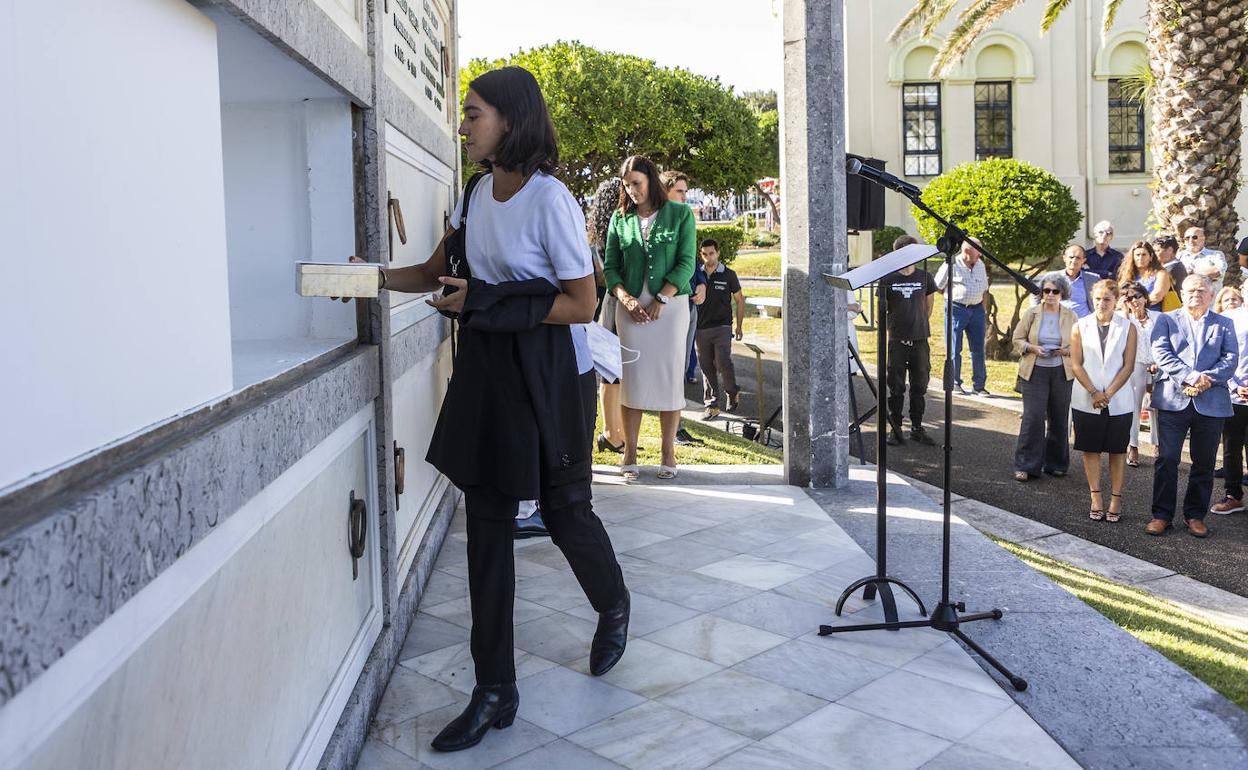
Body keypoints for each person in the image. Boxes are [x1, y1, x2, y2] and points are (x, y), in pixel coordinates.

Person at [377, 67, 629, 752]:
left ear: (511, 121)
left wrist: (484, 302)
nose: (462, 125)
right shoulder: (476, 191)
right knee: (486, 528)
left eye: (474, 113)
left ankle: (613, 602)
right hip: (489, 371)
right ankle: (495, 689)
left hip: (549, 377)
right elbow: (435, 272)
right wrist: (369, 277)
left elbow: (580, 303)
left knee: (564, 510)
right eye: (464, 112)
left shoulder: (551, 200)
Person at [604, 155, 696, 480]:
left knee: (669, 377)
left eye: (637, 184)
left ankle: (668, 451)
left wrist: (662, 296)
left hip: (670, 307)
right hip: (629, 309)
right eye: (627, 185)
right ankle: (629, 452)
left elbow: (687, 262)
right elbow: (610, 267)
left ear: (651, 180)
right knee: (633, 380)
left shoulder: (680, 214)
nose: (632, 191)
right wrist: (625, 298)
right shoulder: (620, 218)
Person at [1149, 274, 1238, 537]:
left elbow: (1230, 359)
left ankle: (1195, 515)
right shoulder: (1166, 319)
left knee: (1204, 463)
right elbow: (1161, 352)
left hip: (1211, 402)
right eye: (1190, 290)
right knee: (1167, 458)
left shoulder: (1224, 323)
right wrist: (1191, 376)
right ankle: (1161, 515)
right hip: (1173, 399)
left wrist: (1207, 379)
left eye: (1201, 290)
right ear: (1181, 293)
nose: (1195, 294)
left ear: (1211, 295)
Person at [1070, 280, 1137, 522]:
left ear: (1116, 300)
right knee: (1091, 449)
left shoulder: (1128, 327)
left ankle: (1116, 499)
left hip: (1118, 400)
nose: (1101, 303)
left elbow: (1128, 366)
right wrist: (1093, 392)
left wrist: (1107, 394)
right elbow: (1076, 363)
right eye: (1097, 298)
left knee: (1117, 451)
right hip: (1086, 398)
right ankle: (1096, 496)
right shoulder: (1081, 326)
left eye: (1107, 299)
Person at [1012, 272, 1077, 480]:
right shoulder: (1032, 313)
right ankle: (1025, 465)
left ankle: (1056, 463)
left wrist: (1065, 351)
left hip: (1061, 370)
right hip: (1035, 369)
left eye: (1054, 291)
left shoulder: (1070, 316)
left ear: (1062, 294)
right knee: (1033, 417)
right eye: (1046, 291)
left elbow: (1079, 344)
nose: (1049, 295)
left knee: (1059, 417)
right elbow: (1017, 339)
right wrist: (1032, 348)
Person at [880, 240, 938, 446]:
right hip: (897, 340)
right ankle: (895, 428)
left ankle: (917, 428)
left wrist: (918, 325)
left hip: (920, 339)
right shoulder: (888, 279)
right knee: (896, 386)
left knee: (919, 385)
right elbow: (882, 309)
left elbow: (929, 305)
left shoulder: (925, 277)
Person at [587, 177, 626, 454]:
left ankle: (612, 432)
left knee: (609, 373)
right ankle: (612, 432)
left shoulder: (595, 236)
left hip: (596, 310)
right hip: (606, 309)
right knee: (612, 372)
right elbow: (604, 275)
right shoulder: (609, 237)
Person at [660, 170, 708, 389]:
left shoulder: (685, 217)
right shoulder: (652, 221)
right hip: (664, 303)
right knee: (666, 365)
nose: (685, 196)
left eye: (686, 191)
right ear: (664, 190)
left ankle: (676, 419)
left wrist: (702, 284)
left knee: (682, 363)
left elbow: (691, 261)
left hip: (689, 305)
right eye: (679, 191)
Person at [695, 238, 746, 419]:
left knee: (723, 360)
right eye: (704, 254)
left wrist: (739, 326)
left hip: (723, 326)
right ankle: (712, 405)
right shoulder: (696, 274)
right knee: (706, 366)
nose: (708, 257)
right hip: (700, 328)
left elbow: (740, 300)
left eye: (711, 253)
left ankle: (732, 391)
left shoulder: (729, 274)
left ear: (717, 253)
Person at [934, 238, 990, 395]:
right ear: (967, 251)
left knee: (978, 349)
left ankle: (979, 385)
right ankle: (955, 382)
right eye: (978, 250)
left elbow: (985, 289)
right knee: (954, 348)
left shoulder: (980, 265)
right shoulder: (950, 264)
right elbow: (938, 286)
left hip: (977, 310)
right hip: (956, 309)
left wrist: (983, 310)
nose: (980, 254)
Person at [1212, 298, 1248, 514]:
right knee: (1232, 448)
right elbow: (1221, 354)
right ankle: (1234, 495)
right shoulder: (1232, 317)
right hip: (1234, 395)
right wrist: (1234, 386)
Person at [1117, 281, 1159, 468]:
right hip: (1134, 364)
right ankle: (1133, 445)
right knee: (1134, 404)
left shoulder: (1158, 317)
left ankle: (1158, 444)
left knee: (1157, 405)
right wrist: (1125, 313)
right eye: (1129, 298)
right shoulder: (1122, 319)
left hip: (1158, 365)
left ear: (1145, 297)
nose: (1134, 300)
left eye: (1137, 296)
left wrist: (1159, 363)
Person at [1117, 240, 1172, 312]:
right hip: (1130, 315)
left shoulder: (1161, 274)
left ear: (1151, 257)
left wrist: (1135, 305)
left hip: (1153, 315)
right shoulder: (1127, 275)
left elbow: (1157, 296)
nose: (1140, 258)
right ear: (1132, 258)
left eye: (1144, 255)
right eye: (1137, 255)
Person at [1178, 226, 1228, 293]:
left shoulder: (1216, 255)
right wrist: (1205, 273)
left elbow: (1216, 272)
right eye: (1187, 238)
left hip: (1210, 301)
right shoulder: (1179, 256)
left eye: (1194, 237)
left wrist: (1190, 272)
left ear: (1203, 239)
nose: (1190, 240)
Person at [1057, 245, 1099, 317]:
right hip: (1058, 322)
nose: (1074, 261)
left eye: (1078, 258)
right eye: (1071, 257)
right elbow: (1036, 294)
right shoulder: (1053, 277)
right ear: (1064, 258)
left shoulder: (1093, 279)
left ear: (1083, 260)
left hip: (1083, 324)